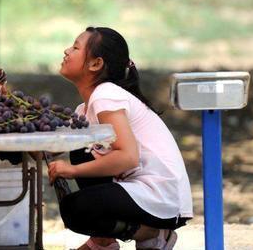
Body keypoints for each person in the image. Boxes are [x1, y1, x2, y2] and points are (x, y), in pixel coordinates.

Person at [48, 27, 193, 250]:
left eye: (76, 47)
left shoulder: (106, 94)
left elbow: (128, 158)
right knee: (81, 150)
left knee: (76, 208)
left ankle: (152, 233)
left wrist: (71, 170)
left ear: (95, 64)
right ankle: (102, 242)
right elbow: (55, 146)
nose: (67, 51)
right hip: (136, 189)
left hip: (161, 195)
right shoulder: (84, 109)